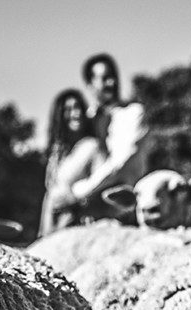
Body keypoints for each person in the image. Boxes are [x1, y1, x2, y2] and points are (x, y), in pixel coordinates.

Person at [53, 54, 150, 225]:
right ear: (90, 85)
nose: (111, 83)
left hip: (121, 203)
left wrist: (80, 193)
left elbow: (120, 164)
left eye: (113, 77)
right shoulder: (89, 117)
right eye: (104, 79)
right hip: (84, 205)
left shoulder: (133, 113)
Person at [39, 89, 106, 236]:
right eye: (68, 110)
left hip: (75, 230)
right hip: (51, 227)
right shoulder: (56, 152)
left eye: (78, 107)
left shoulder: (92, 147)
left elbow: (101, 187)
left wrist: (78, 202)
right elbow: (50, 194)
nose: (75, 114)